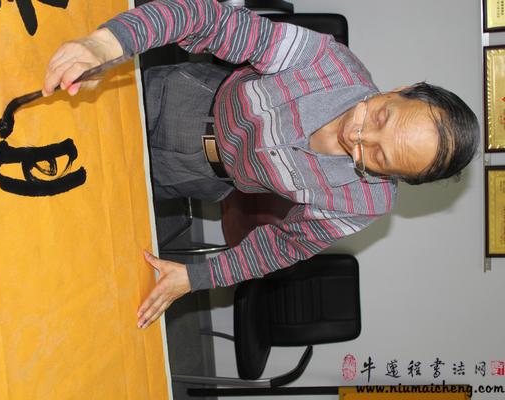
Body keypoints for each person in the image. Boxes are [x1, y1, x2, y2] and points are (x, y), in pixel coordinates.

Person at [42, 0, 479, 329]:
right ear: (400, 89)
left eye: (379, 158)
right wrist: (106, 44)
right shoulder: (323, 60)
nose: (357, 135)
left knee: (64, 206)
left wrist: (196, 277)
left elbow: (282, 246)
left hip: (196, 177)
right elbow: (209, 22)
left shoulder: (365, 203)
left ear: (397, 178)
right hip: (177, 99)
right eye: (380, 117)